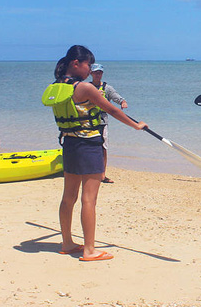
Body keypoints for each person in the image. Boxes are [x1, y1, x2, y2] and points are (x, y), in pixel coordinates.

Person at [42, 45, 146, 262]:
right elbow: (113, 110)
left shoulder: (56, 86)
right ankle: (90, 250)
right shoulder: (85, 89)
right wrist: (135, 125)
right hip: (88, 145)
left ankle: (67, 243)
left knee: (68, 197)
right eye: (88, 64)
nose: (90, 70)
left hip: (69, 143)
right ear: (75, 63)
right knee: (89, 199)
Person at [89, 63, 128, 183]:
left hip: (102, 122)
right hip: (88, 122)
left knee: (103, 148)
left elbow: (116, 97)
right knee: (88, 147)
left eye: (100, 72)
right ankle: (88, 173)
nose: (98, 75)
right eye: (95, 72)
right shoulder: (87, 87)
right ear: (91, 73)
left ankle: (102, 175)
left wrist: (122, 102)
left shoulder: (107, 88)